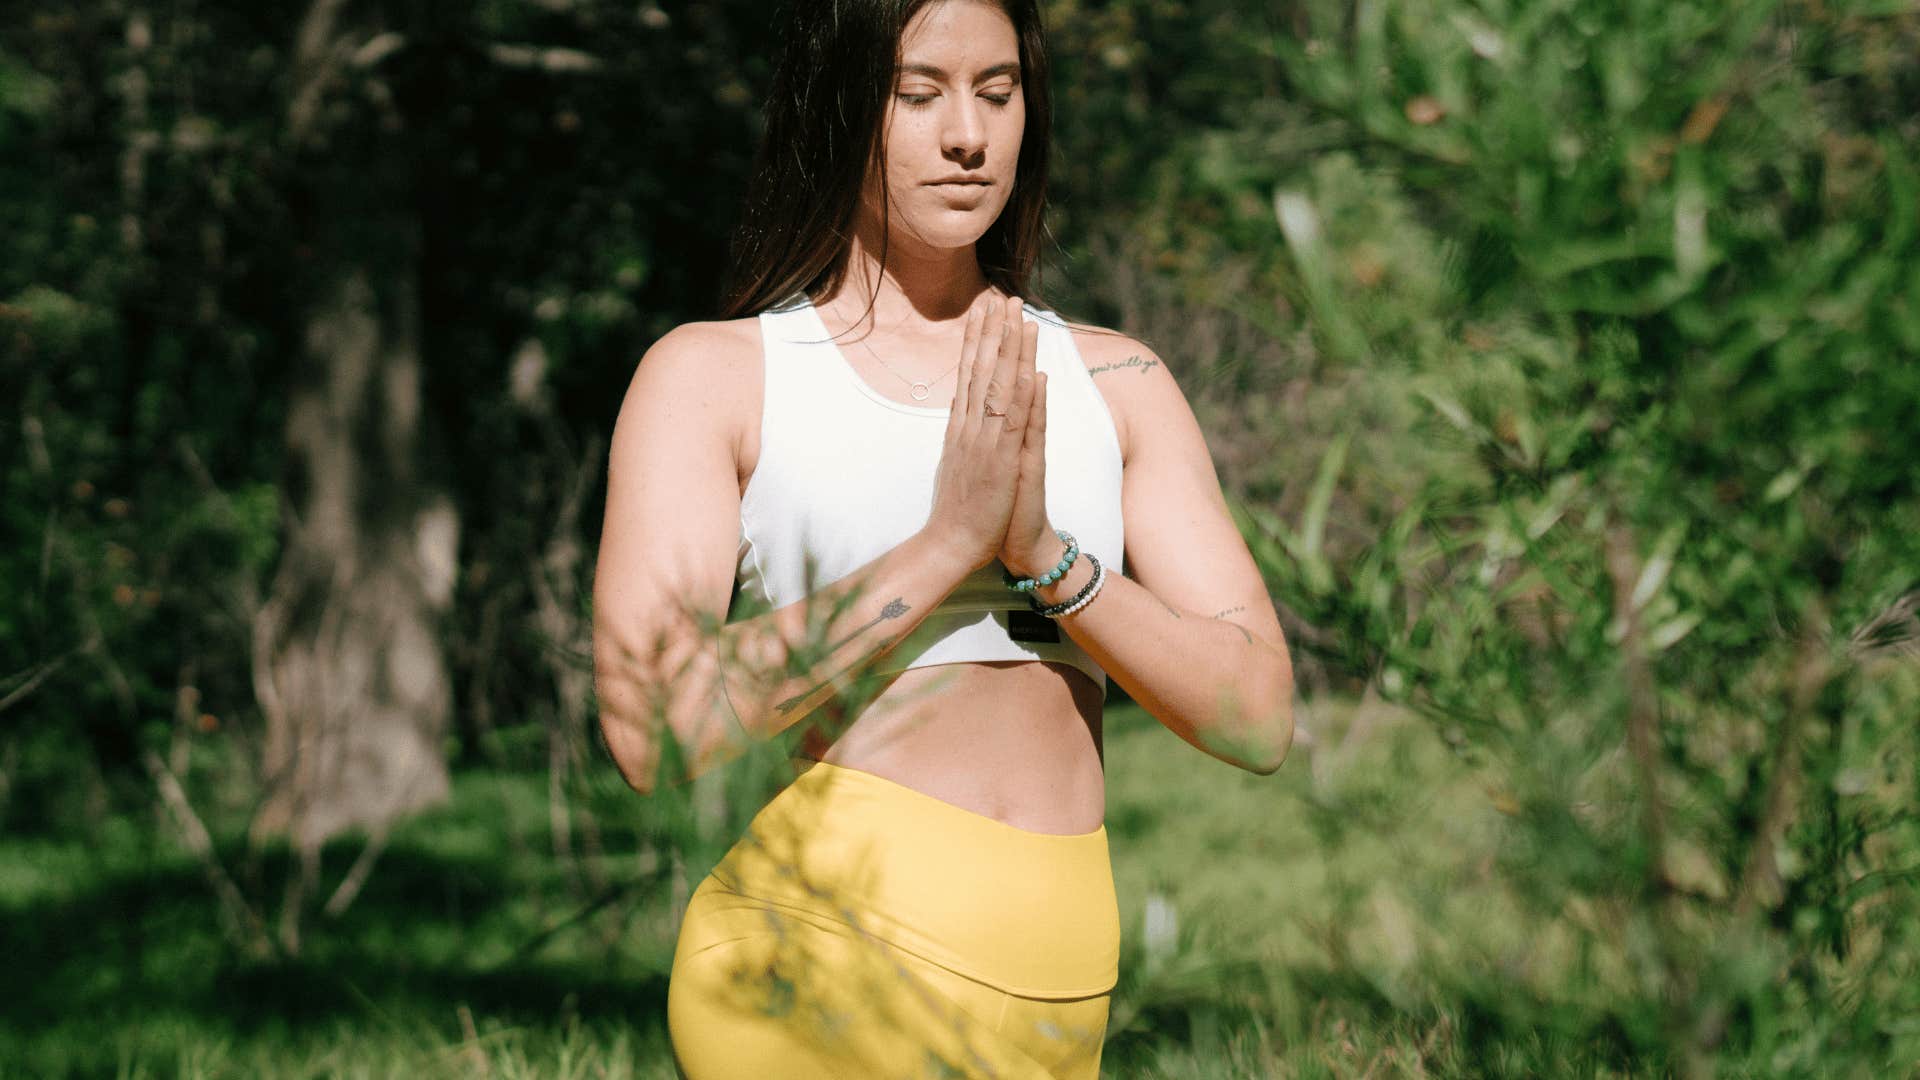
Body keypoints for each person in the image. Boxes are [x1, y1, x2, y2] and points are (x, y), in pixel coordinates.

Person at [591, 0, 1295, 1075]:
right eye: (918, 93)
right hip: (811, 962)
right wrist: (946, 544)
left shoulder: (1118, 382)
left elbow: (1257, 718)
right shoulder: (717, 377)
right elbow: (654, 726)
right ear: (838, 111)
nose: (967, 134)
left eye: (998, 93)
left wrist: (1045, 556)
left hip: (1056, 990)